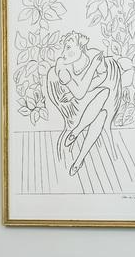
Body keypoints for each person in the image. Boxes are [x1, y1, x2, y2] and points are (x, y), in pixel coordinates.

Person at [48, 32, 121, 176]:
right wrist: (93, 67)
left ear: (81, 47)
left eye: (69, 47)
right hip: (72, 105)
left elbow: (102, 76)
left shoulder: (92, 54)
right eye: (64, 48)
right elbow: (79, 94)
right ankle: (77, 130)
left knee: (102, 113)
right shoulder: (62, 65)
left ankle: (79, 159)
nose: (64, 53)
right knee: (104, 96)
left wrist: (86, 89)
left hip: (88, 99)